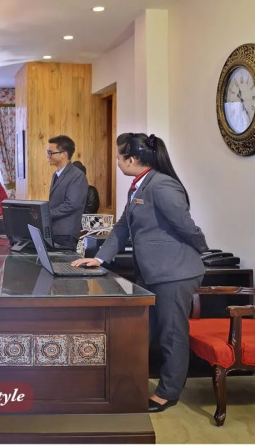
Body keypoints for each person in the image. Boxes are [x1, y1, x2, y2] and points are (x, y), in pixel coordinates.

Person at [72, 133, 209, 412]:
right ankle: (130, 383)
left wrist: (203, 249)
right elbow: (122, 227)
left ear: (132, 160)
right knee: (144, 331)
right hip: (151, 271)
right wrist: (100, 258)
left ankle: (169, 392)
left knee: (171, 334)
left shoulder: (162, 185)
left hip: (174, 272)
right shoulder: (138, 186)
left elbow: (186, 226)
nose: (117, 162)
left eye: (119, 157)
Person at [46, 135, 89, 249]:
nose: (48, 156)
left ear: (63, 154)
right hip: (55, 231)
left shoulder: (77, 176)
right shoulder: (55, 174)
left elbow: (71, 205)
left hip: (66, 234)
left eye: (50, 152)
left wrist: (45, 214)